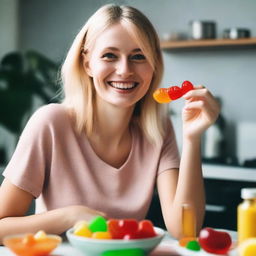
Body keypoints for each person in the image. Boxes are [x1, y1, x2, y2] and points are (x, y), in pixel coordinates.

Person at [0, 4, 220, 243]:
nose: (124, 70)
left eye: (138, 56)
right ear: (87, 64)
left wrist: (192, 138)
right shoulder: (51, 123)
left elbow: (185, 231)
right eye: (109, 55)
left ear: (153, 63)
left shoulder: (159, 128)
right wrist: (70, 217)